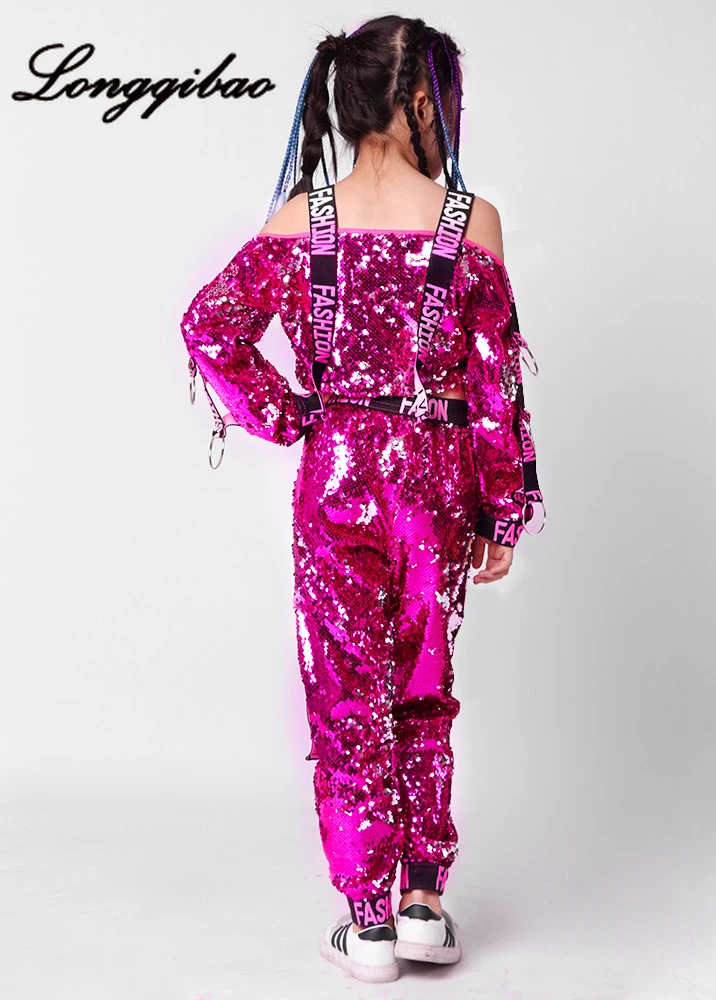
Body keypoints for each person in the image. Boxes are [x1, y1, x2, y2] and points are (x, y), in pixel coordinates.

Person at [179, 14, 545, 984]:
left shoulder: (303, 223)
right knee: (424, 681)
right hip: (436, 478)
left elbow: (209, 326)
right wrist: (503, 507)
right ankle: (425, 898)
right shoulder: (470, 222)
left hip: (337, 473)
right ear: (422, 102)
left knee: (348, 691)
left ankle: (368, 919)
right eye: (447, 102)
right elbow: (494, 379)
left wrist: (292, 413)